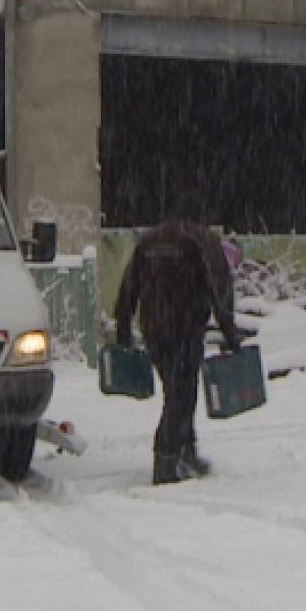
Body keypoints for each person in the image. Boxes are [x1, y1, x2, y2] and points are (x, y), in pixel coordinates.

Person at [114, 194, 242, 485]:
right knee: (180, 395)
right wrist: (230, 332)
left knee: (177, 390)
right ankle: (166, 459)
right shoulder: (202, 241)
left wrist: (124, 328)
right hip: (186, 328)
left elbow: (129, 286)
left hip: (154, 329)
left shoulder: (149, 241)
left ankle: (186, 450)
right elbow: (217, 288)